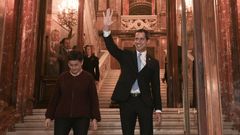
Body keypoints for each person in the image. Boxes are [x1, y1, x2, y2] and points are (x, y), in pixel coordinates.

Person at [102, 8, 162, 135]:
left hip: (144, 102)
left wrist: (158, 109)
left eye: (141, 39)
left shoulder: (154, 62)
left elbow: (156, 87)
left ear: (147, 41)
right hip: (127, 101)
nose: (138, 42)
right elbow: (112, 48)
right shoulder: (126, 56)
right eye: (136, 39)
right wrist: (106, 28)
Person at [45, 51, 101, 135]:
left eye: (76, 65)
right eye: (71, 65)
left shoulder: (88, 78)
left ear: (81, 63)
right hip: (62, 116)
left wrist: (95, 118)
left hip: (82, 117)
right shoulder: (62, 77)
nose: (73, 68)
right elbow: (54, 98)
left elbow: (94, 99)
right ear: (68, 64)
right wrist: (49, 116)